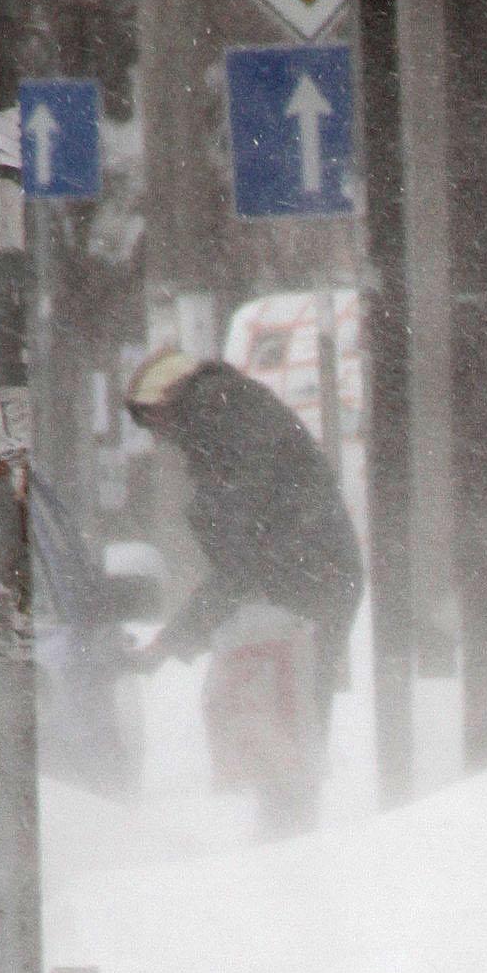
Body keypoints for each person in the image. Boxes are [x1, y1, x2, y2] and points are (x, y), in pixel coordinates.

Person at [123, 344, 365, 830]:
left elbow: (243, 557)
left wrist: (174, 639)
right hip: (310, 581)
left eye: (152, 424)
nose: (160, 440)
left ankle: (290, 845)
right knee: (290, 727)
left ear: (166, 403)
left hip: (302, 588)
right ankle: (289, 834)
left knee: (285, 731)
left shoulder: (220, 422)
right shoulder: (229, 413)